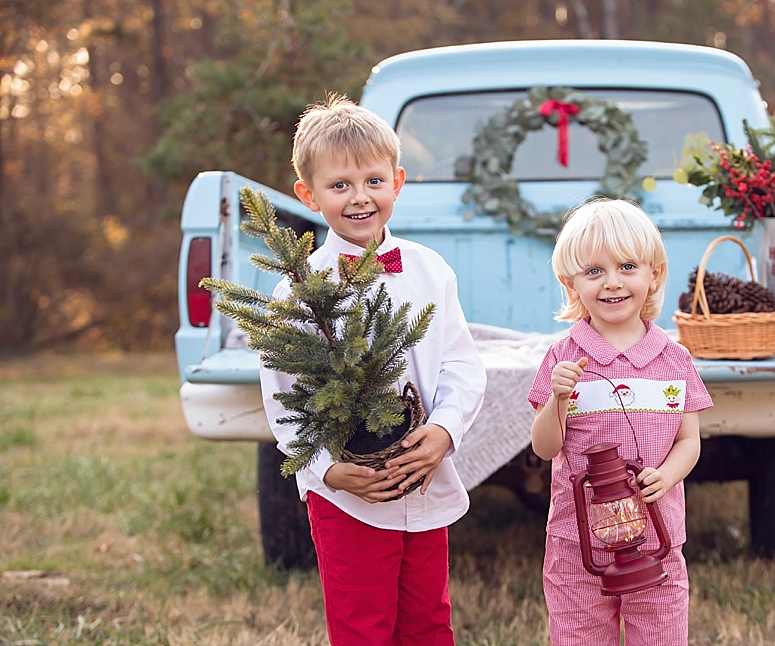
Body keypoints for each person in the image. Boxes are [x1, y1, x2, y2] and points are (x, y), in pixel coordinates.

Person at [260, 94, 487, 646]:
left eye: (373, 181)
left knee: (429, 621)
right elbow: (285, 399)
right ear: (309, 195)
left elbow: (461, 362)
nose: (360, 197)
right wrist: (325, 471)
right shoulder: (299, 291)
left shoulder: (430, 271)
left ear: (397, 182)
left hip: (421, 476)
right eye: (340, 185)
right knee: (362, 625)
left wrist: (445, 430)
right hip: (348, 492)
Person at [527, 199, 712, 645]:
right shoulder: (564, 357)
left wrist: (666, 476)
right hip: (578, 543)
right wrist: (558, 400)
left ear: (655, 275)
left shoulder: (674, 360)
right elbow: (545, 448)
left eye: (627, 267)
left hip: (657, 539)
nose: (612, 282)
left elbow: (689, 441)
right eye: (594, 272)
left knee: (661, 635)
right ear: (570, 284)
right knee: (581, 636)